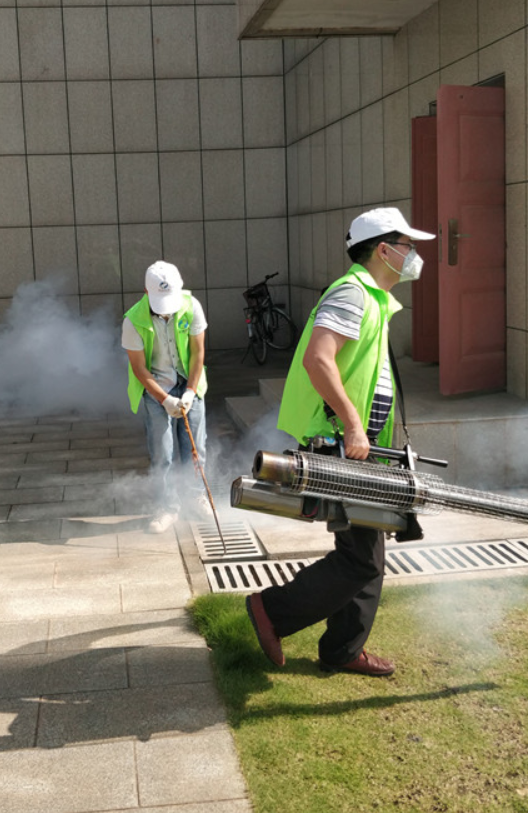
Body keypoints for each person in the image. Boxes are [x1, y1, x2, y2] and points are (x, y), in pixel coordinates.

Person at [246, 208, 435, 676]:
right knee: (361, 559)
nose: (414, 254)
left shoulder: (373, 298)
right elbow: (319, 359)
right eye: (407, 245)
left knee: (367, 552)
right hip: (342, 445)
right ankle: (273, 610)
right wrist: (352, 424)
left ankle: (342, 649)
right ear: (384, 250)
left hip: (361, 448)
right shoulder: (352, 293)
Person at [122, 260, 211, 533]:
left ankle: (196, 496)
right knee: (162, 453)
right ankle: (167, 506)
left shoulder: (191, 306)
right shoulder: (133, 320)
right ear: (147, 293)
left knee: (195, 448)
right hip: (156, 389)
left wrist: (190, 391)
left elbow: (198, 353)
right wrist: (165, 399)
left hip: (189, 383)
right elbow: (139, 368)